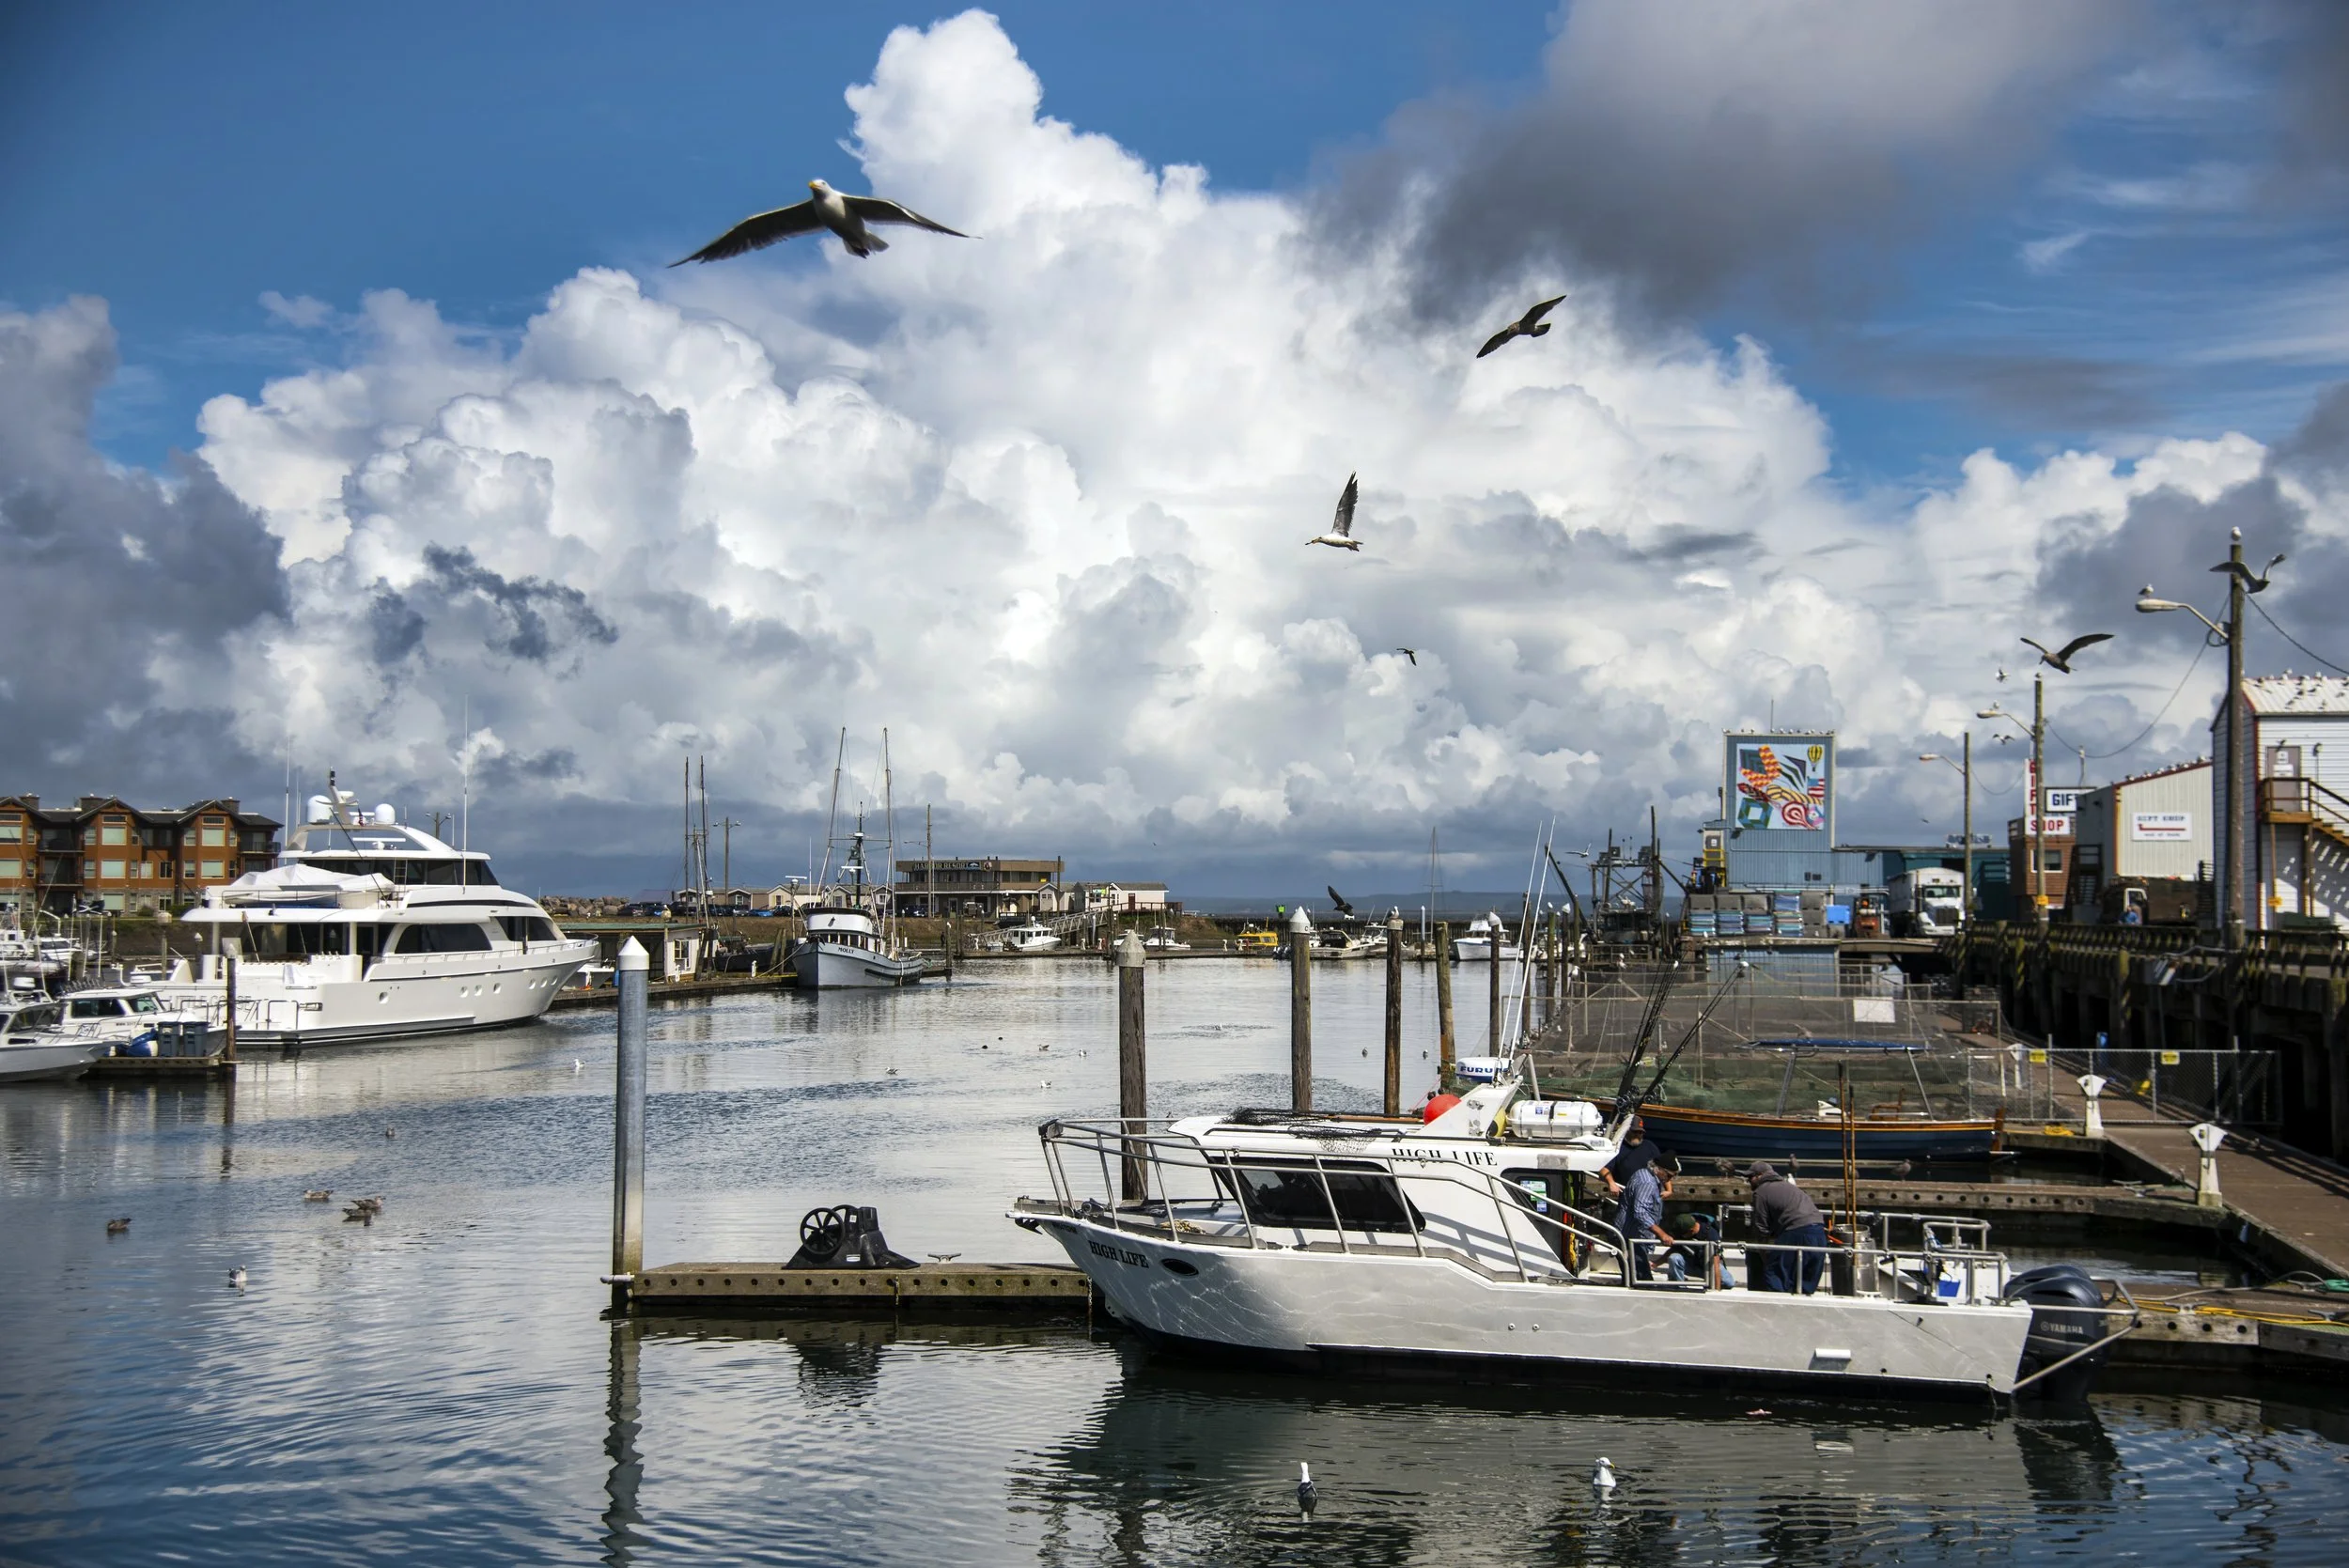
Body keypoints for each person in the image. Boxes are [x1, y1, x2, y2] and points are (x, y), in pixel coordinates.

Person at [1744, 1161, 1828, 1294]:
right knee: (1806, 1280)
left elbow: (1761, 1227)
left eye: (1750, 1177)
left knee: (1775, 1274)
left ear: (1760, 1176)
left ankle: (1777, 1309)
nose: (1748, 1181)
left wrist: (1764, 1252)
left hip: (1797, 1232)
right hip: (1819, 1231)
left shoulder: (1761, 1192)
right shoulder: (1789, 1186)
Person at [1616, 1153, 1677, 1280]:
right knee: (1642, 1279)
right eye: (1669, 1175)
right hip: (1629, 1236)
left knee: (1636, 1277)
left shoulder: (1643, 1173)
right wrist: (1662, 1234)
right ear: (1659, 1170)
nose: (1670, 1180)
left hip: (1632, 1235)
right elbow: (1640, 1212)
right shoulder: (1648, 1182)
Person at [1601, 1116, 1664, 1199]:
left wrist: (1668, 1189)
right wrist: (1611, 1183)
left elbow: (1663, 1169)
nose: (1637, 1135)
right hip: (1626, 1196)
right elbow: (1604, 1169)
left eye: (1640, 1132)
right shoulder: (1617, 1148)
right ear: (1627, 1131)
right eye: (1635, 1131)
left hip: (1649, 1195)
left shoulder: (1650, 1146)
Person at [1667, 1211, 1731, 1288]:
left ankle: (1709, 1283)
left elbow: (1715, 1263)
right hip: (1690, 1264)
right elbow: (1673, 1249)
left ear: (1691, 1231)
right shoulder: (1682, 1230)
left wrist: (1716, 1290)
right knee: (1674, 1258)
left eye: (1682, 1234)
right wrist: (1655, 1264)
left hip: (1708, 1266)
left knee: (1728, 1283)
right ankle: (1680, 1287)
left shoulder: (1711, 1234)